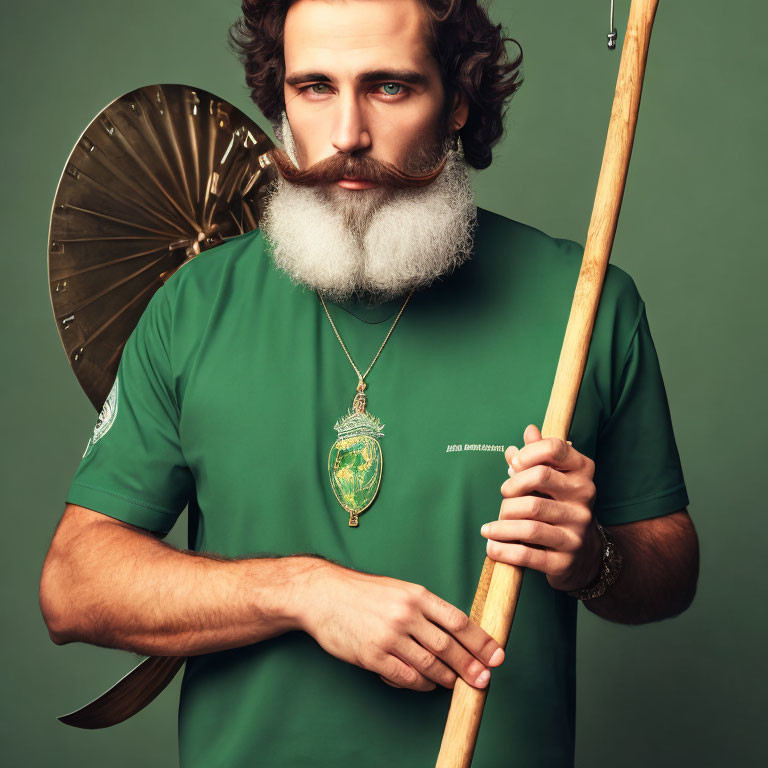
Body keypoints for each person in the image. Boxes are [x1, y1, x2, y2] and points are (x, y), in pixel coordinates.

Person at [39, 1, 699, 766]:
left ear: (457, 98)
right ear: (279, 94)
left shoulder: (583, 302)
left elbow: (670, 563)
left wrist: (592, 561)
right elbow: (74, 584)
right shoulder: (194, 305)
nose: (347, 135)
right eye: (314, 87)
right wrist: (304, 592)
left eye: (388, 87)